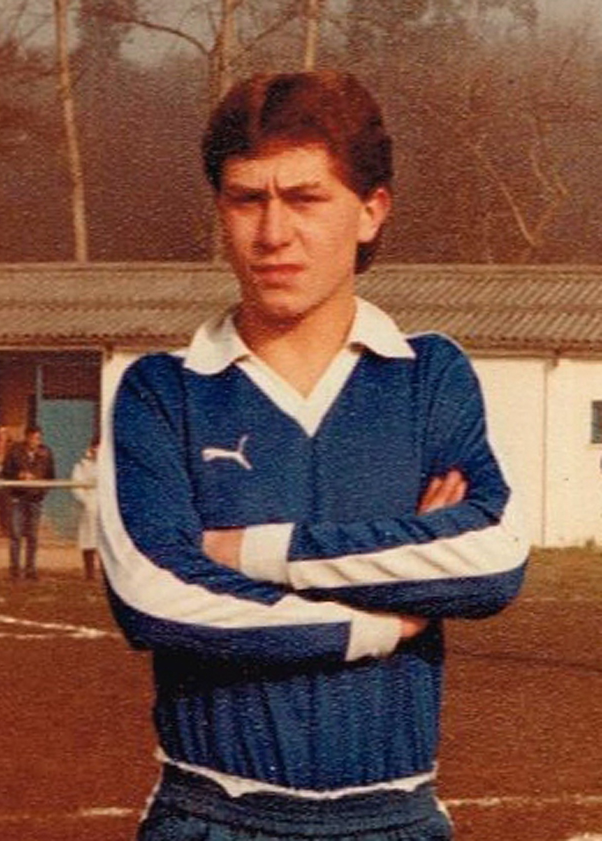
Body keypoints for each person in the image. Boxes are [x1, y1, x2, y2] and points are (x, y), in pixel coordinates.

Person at [99, 71, 529, 841]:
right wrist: (389, 618)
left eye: (305, 198)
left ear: (371, 211)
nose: (273, 232)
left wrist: (250, 552)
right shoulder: (161, 390)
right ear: (221, 211)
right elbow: (155, 593)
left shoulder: (430, 375)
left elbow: (491, 556)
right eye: (247, 199)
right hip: (214, 817)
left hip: (394, 819)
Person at [3, 425, 55, 580]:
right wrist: (18, 475)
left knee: (33, 535)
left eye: (38, 438)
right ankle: (14, 570)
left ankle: (30, 569)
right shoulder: (14, 452)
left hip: (35, 499)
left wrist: (41, 491)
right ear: (26, 438)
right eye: (33, 438)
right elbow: (6, 472)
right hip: (18, 498)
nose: (35, 441)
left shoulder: (46, 453)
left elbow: (51, 475)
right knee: (16, 534)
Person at [71, 437, 99, 580]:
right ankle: (89, 572)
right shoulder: (82, 465)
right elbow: (76, 485)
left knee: (105, 541)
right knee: (88, 539)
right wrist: (86, 501)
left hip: (105, 507)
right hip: (89, 505)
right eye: (95, 447)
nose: (97, 451)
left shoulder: (109, 465)